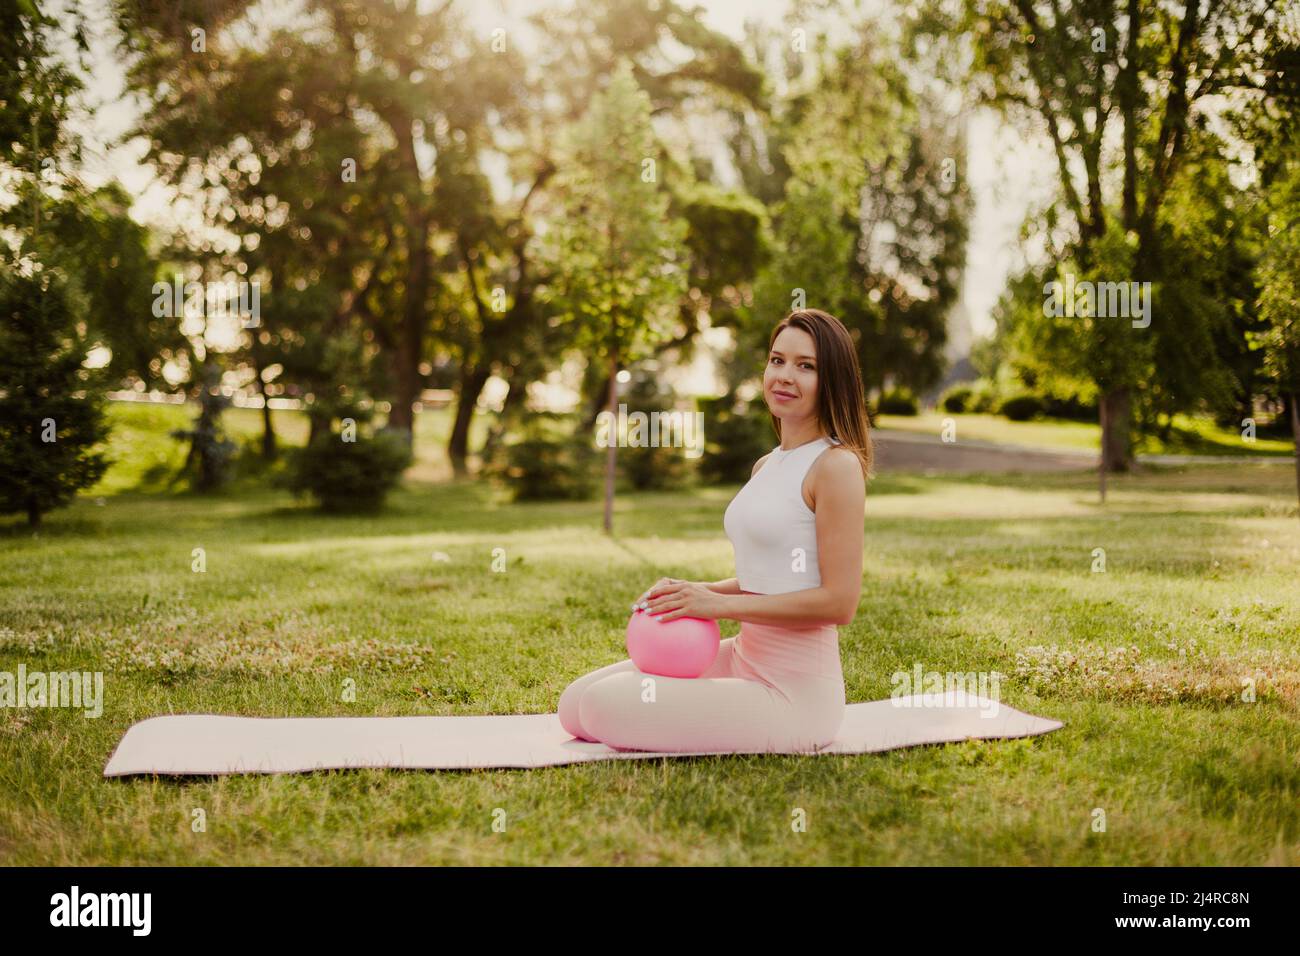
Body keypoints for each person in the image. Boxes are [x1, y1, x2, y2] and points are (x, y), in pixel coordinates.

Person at [557, 308, 873, 753]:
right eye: (777, 360)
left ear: (833, 381)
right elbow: (770, 580)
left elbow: (839, 603)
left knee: (601, 707)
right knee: (574, 705)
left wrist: (717, 605)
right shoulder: (768, 464)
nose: (784, 375)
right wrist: (696, 591)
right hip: (744, 658)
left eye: (806, 366)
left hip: (796, 694)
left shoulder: (836, 466)